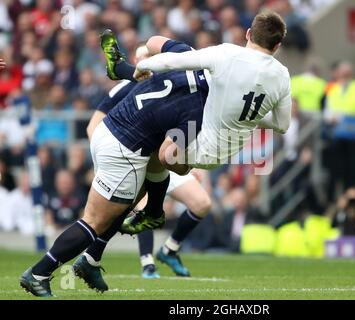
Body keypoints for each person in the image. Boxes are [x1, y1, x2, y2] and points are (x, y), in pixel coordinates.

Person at [20, 31, 212, 297]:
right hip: (123, 148)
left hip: (114, 133)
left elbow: (155, 40)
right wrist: (190, 165)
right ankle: (39, 273)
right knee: (94, 222)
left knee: (131, 196)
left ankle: (97, 256)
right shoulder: (199, 106)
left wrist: (131, 68)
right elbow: (170, 157)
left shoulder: (185, 56)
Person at [116, 11, 291, 233]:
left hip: (200, 141)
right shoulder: (282, 75)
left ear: (248, 33)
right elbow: (282, 125)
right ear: (277, 46)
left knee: (161, 152)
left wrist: (141, 66)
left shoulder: (228, 53)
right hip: (227, 152)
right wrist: (251, 117)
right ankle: (143, 209)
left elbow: (174, 62)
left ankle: (146, 210)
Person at [81, 44, 212, 280]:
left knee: (201, 203)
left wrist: (190, 163)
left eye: (150, 57)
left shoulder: (179, 79)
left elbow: (189, 125)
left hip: (168, 158)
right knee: (137, 207)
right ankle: (146, 263)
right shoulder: (126, 87)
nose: (147, 61)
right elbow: (93, 126)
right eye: (143, 57)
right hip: (136, 159)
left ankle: (169, 250)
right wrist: (107, 163)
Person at [324, 61, 355, 202]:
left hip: (354, 138)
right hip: (338, 137)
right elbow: (327, 112)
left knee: (353, 174)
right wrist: (332, 117)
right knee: (335, 172)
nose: (344, 77)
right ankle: (335, 201)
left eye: (347, 74)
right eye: (342, 74)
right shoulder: (333, 90)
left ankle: (353, 201)